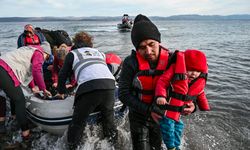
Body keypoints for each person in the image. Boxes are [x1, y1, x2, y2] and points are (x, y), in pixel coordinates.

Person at [118, 14, 196, 150]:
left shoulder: (173, 60)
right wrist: (149, 110)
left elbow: (190, 86)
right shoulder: (130, 63)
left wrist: (193, 105)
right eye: (142, 47)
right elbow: (123, 94)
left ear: (158, 41)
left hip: (163, 116)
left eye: (151, 44)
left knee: (158, 147)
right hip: (139, 116)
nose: (148, 51)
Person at [55, 31, 118, 150]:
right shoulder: (100, 53)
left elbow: (63, 75)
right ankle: (112, 145)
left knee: (77, 123)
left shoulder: (72, 53)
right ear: (90, 44)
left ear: (75, 43)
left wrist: (62, 91)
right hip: (110, 84)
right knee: (109, 122)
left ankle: (73, 147)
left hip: (89, 86)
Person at [155, 49, 210, 150]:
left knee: (179, 127)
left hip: (178, 112)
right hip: (167, 110)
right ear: (185, 66)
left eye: (197, 71)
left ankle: (176, 146)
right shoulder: (175, 68)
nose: (194, 74)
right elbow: (162, 82)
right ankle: (171, 147)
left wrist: (203, 106)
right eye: (190, 70)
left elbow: (200, 92)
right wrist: (161, 96)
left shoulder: (198, 80)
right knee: (168, 128)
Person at [0, 41, 52, 148]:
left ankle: (10, 122)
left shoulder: (29, 49)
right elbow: (36, 70)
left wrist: (33, 87)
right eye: (47, 58)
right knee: (20, 100)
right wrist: (43, 89)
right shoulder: (40, 52)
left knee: (8, 96)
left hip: (2, 65)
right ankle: (26, 134)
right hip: (4, 69)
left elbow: (30, 71)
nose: (44, 60)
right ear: (46, 53)